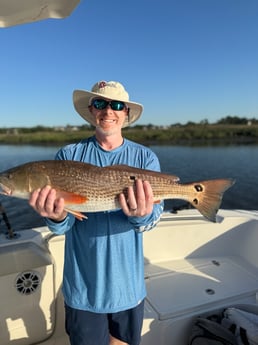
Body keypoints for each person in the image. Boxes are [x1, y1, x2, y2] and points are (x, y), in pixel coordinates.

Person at [29, 80, 164, 345]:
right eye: (100, 104)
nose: (108, 111)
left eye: (116, 105)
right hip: (83, 289)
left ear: (126, 113)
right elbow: (63, 225)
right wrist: (55, 216)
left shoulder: (145, 158)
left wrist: (141, 215)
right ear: (91, 110)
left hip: (129, 287)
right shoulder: (68, 155)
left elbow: (152, 219)